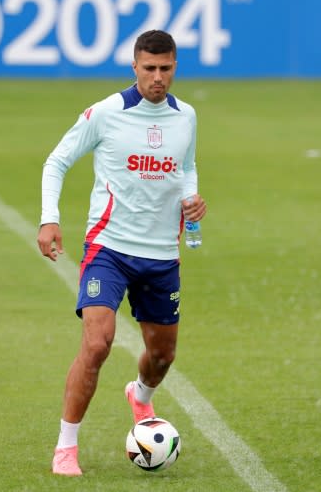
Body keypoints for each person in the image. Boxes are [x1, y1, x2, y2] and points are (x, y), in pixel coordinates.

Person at [37, 29, 207, 476]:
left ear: (175, 68)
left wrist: (193, 200)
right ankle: (66, 447)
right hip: (108, 248)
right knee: (97, 343)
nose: (157, 78)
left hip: (160, 256)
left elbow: (187, 167)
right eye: (149, 68)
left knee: (163, 356)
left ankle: (141, 397)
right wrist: (48, 218)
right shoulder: (107, 113)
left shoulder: (186, 117)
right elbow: (56, 160)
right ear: (134, 67)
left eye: (165, 69)